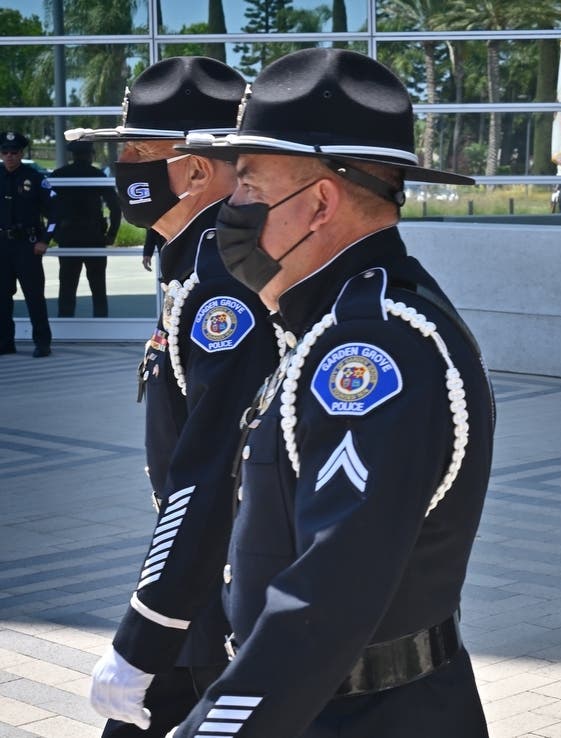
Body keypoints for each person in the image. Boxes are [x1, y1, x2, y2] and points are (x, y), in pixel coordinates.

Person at [170, 47, 495, 738]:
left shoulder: (372, 349)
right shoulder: (330, 323)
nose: (233, 208)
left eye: (251, 186)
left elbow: (324, 600)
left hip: (367, 717)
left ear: (320, 203)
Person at [67, 57, 282, 738]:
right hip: (198, 591)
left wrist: (146, 632)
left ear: (194, 171)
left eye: (135, 151)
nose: (122, 168)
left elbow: (211, 467)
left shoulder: (219, 281)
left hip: (216, 599)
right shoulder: (190, 264)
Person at [0, 131, 56, 357]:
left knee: (34, 297)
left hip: (28, 246)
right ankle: (5, 342)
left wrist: (45, 240)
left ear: (21, 153)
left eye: (14, 152)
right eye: (5, 152)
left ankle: (42, 343)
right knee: (2, 299)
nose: (10, 156)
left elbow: (55, 212)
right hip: (2, 248)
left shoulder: (34, 178)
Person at [51, 140, 121, 317]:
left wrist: (54, 232)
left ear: (72, 155)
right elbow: (115, 207)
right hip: (94, 236)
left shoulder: (60, 175)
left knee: (67, 285)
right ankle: (101, 321)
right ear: (91, 155)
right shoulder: (96, 175)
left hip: (68, 237)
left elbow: (47, 206)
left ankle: (65, 321)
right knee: (98, 286)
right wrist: (111, 234)